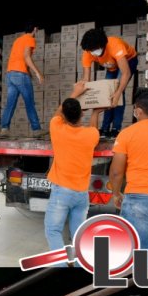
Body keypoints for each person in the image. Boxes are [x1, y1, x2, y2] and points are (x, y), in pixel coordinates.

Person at [45, 83, 105, 255]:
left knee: (53, 231)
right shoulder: (91, 135)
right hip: (81, 194)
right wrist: (95, 113)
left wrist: (76, 92)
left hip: (62, 192)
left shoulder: (56, 128)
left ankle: (61, 267)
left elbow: (59, 113)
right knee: (79, 235)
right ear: (81, 114)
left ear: (63, 116)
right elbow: (94, 128)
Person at [110, 89, 148, 263]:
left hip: (139, 198)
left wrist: (116, 193)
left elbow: (117, 171)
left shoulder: (127, 134)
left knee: (139, 252)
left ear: (138, 111)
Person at [80, 28, 138, 138]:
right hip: (112, 66)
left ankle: (116, 128)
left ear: (103, 45)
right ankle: (105, 128)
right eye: (90, 50)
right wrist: (84, 99)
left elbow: (125, 73)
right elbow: (86, 80)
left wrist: (118, 93)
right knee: (106, 94)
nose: (92, 53)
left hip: (128, 61)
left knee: (118, 93)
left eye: (94, 50)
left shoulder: (115, 46)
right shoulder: (88, 51)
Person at [0, 23, 45, 138]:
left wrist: (28, 72)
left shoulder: (18, 40)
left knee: (10, 104)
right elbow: (26, 56)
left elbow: (19, 58)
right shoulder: (30, 39)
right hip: (20, 75)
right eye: (37, 30)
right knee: (29, 103)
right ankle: (36, 129)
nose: (37, 32)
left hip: (10, 74)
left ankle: (4, 129)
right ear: (35, 29)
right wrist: (38, 73)